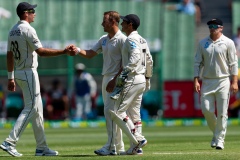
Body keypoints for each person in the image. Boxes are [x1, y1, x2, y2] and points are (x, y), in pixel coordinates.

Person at [0, 2, 76, 157]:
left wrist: (10, 77)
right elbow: (41, 52)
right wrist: (64, 51)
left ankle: (41, 147)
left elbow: (9, 55)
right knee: (31, 108)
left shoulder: (13, 30)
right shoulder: (28, 29)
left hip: (20, 72)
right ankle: (10, 142)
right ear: (26, 13)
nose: (34, 13)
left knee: (38, 111)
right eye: (32, 11)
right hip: (28, 72)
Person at [67, 11, 127, 155]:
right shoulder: (104, 39)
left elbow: (126, 64)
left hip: (116, 79)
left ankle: (111, 146)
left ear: (113, 22)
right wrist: (78, 50)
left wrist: (115, 80)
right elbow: (90, 54)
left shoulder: (122, 40)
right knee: (113, 114)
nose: (102, 24)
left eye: (104, 21)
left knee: (110, 112)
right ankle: (119, 147)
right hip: (107, 78)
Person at [110, 14, 153, 155]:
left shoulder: (131, 39)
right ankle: (136, 148)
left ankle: (138, 139)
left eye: (124, 22)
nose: (121, 24)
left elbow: (135, 57)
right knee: (135, 115)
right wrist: (147, 78)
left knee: (117, 112)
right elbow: (149, 60)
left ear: (130, 25)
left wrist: (124, 73)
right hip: (141, 78)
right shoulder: (142, 39)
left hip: (133, 78)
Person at [194, 18, 238, 150]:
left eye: (215, 26)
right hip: (207, 81)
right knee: (206, 110)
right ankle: (216, 133)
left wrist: (234, 81)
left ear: (221, 28)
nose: (212, 28)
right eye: (210, 26)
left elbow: (233, 63)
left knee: (222, 113)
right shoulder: (203, 43)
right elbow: (197, 62)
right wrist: (196, 79)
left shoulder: (228, 42)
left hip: (223, 80)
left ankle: (220, 140)